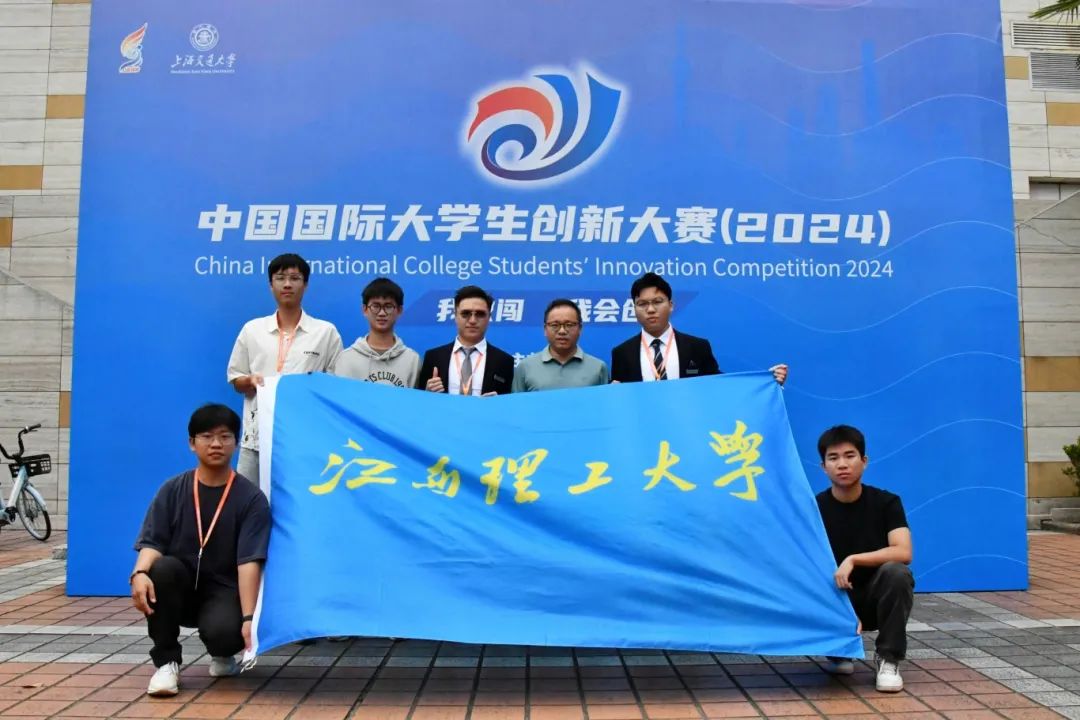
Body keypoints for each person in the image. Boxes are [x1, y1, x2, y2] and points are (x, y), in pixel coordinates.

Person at [130, 404, 270, 697]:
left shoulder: (251, 498)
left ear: (236, 442)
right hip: (179, 586)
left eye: (225, 436)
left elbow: (249, 562)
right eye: (207, 436)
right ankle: (166, 663)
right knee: (160, 570)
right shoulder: (173, 489)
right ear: (192, 443)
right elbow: (153, 542)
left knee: (225, 635)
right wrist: (139, 573)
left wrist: (248, 620)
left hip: (223, 590)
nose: (216, 444)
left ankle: (223, 654)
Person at [227, 253, 342, 483]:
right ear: (271, 285)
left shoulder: (325, 332)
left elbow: (336, 385)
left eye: (294, 278)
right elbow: (236, 378)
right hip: (257, 439)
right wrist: (250, 381)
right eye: (280, 278)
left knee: (302, 498)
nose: (287, 284)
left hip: (306, 439)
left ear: (305, 285)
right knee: (250, 501)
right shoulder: (252, 330)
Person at [815, 424, 914, 693]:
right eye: (833, 458)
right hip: (835, 600)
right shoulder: (814, 509)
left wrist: (853, 559)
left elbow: (903, 551)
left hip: (874, 598)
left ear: (864, 461)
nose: (842, 464)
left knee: (897, 573)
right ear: (824, 467)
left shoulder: (887, 502)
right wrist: (840, 609)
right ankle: (838, 650)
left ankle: (889, 659)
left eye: (850, 456)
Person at [609, 273, 788, 385]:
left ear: (671, 305)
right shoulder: (622, 353)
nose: (650, 309)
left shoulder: (697, 347)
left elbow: (721, 386)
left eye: (657, 302)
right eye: (642, 304)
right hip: (645, 430)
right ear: (634, 308)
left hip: (688, 430)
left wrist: (766, 381)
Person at [416, 285, 514, 395]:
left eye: (480, 314)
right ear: (455, 315)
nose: (472, 320)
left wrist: (498, 402)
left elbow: (510, 403)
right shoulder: (433, 357)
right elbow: (420, 401)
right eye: (465, 313)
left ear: (489, 317)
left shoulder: (504, 361)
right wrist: (427, 393)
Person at [329, 277, 420, 388]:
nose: (382, 313)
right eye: (375, 306)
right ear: (364, 309)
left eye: (388, 306)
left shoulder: (412, 360)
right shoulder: (346, 359)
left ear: (399, 310)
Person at [512, 299, 608, 392]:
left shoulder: (598, 368)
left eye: (569, 325)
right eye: (555, 325)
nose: (562, 331)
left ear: (580, 329)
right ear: (545, 329)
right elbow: (516, 402)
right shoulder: (525, 367)